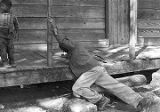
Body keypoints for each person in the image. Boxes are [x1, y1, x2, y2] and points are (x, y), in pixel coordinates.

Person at [48, 18, 157, 111]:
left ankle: (101, 100)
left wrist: (53, 26)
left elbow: (61, 39)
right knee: (115, 86)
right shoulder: (76, 49)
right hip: (97, 69)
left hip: (91, 70)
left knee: (78, 88)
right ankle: (139, 101)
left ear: (67, 46)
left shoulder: (72, 46)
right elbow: (72, 56)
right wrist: (66, 56)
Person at [0, 0, 19, 68]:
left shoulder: (13, 16)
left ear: (9, 7)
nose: (1, 7)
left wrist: (17, 33)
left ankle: (12, 61)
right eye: (1, 6)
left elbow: (16, 24)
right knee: (3, 50)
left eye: (3, 6)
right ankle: (5, 62)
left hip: (10, 36)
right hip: (1, 36)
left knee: (11, 49)